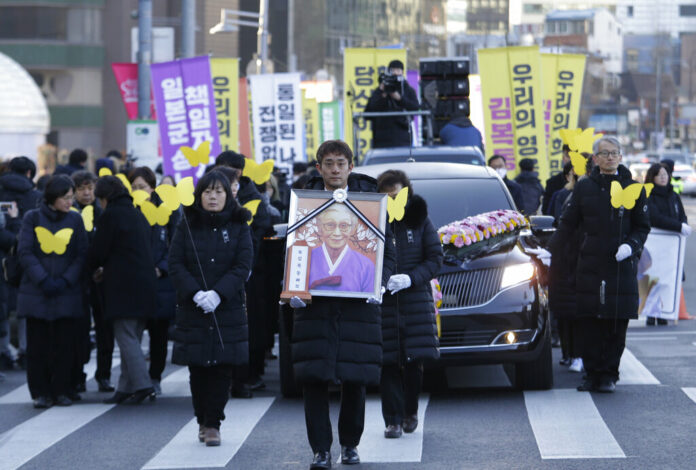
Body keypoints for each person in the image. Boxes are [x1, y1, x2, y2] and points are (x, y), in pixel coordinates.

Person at [288, 139, 395, 469]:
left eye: (341, 163)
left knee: (355, 378)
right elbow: (293, 248)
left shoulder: (370, 203)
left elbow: (386, 252)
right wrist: (293, 286)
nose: (335, 169)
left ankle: (350, 444)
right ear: (318, 168)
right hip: (315, 308)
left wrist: (380, 282)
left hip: (358, 306)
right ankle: (321, 449)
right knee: (314, 380)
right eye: (329, 163)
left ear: (351, 166)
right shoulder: (303, 203)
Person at [550, 136, 650, 393]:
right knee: (589, 321)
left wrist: (631, 246)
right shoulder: (584, 187)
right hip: (590, 265)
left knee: (616, 323)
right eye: (604, 153)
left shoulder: (632, 187)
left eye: (614, 153)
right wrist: (552, 251)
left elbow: (642, 226)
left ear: (620, 156)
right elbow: (568, 223)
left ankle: (609, 374)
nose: (610, 157)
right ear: (595, 158)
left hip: (620, 266)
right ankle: (592, 373)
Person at [169, 171, 253, 447]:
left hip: (226, 307)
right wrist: (195, 293)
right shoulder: (187, 224)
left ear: (228, 195)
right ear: (199, 196)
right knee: (198, 368)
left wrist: (219, 294)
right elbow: (176, 263)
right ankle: (201, 419)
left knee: (222, 367)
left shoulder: (240, 224)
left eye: (219, 192)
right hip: (193, 307)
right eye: (207, 192)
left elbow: (242, 265)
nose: (213, 197)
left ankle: (214, 422)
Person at [376, 170, 442, 439]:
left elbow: (435, 259)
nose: (392, 198)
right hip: (383, 302)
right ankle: (392, 420)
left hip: (415, 300)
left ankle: (410, 411)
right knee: (387, 362)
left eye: (397, 193)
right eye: (387, 194)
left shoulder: (420, 221)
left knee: (414, 361)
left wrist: (410, 278)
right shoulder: (373, 221)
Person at [17, 175, 88, 408]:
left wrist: (65, 280)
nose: (70, 202)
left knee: (64, 345)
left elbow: (81, 255)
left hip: (66, 291)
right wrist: (44, 279)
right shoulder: (32, 217)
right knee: (38, 346)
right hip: (37, 292)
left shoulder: (75, 220)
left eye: (71, 198)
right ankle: (40, 392)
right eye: (65, 198)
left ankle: (62, 390)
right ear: (52, 197)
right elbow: (25, 252)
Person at [91, 176, 158, 405]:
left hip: (123, 286)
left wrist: (93, 268)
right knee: (133, 338)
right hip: (145, 285)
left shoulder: (111, 215)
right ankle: (125, 387)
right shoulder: (137, 213)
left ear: (104, 198)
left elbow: (98, 250)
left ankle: (142, 385)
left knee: (126, 338)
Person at [215, 150, 273, 393]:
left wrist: (246, 267)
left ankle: (247, 375)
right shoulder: (209, 196)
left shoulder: (253, 198)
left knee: (249, 328)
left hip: (251, 275)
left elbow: (261, 233)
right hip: (217, 275)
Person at [129, 167, 178, 394]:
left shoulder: (166, 209)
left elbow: (177, 244)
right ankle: (134, 379)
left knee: (158, 334)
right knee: (133, 334)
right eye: (135, 187)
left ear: (152, 187)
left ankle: (155, 376)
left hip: (161, 281)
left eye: (143, 187)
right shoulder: (129, 211)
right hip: (136, 280)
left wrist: (162, 268)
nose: (139, 191)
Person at [0, 156, 41, 370]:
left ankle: (4, 352)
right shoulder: (35, 197)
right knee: (26, 305)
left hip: (1, 258)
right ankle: (26, 351)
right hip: (25, 258)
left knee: (2, 309)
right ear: (28, 173)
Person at [70, 171, 107, 394]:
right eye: (82, 189)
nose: (86, 193)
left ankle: (103, 375)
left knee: (105, 330)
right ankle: (78, 375)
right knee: (79, 330)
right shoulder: (71, 214)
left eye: (90, 188)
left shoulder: (103, 213)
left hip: (101, 279)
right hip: (78, 280)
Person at [644, 162, 690, 326]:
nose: (664, 177)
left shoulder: (673, 195)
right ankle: (652, 312)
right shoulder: (649, 195)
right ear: (653, 177)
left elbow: (681, 214)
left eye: (665, 174)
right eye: (660, 175)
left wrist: (683, 224)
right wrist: (678, 226)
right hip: (656, 243)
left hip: (672, 244)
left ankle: (664, 311)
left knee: (669, 277)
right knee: (654, 276)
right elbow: (654, 218)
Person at [547, 162, 583, 372]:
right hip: (564, 260)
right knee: (565, 312)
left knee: (581, 314)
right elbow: (556, 226)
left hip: (585, 258)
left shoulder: (597, 195)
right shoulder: (562, 196)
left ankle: (579, 354)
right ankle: (570, 353)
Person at [308, 204, 375, 292]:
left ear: (353, 229)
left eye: (344, 226)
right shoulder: (307, 259)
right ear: (320, 227)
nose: (337, 233)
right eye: (330, 225)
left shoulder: (365, 265)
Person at [364, 60, 419, 148]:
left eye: (398, 70)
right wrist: (382, 93)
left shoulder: (408, 89)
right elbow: (368, 111)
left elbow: (415, 107)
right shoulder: (379, 90)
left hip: (402, 137)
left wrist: (400, 99)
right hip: (381, 138)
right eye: (393, 70)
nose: (395, 73)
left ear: (402, 72)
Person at [542, 144, 572, 215]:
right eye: (569, 156)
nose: (572, 159)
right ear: (563, 158)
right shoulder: (553, 183)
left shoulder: (590, 183)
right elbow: (546, 212)